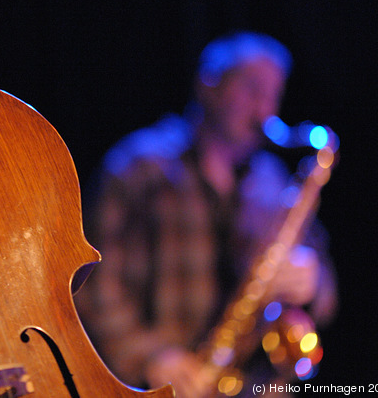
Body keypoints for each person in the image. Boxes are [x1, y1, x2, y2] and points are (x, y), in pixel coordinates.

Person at [76, 31, 338, 398]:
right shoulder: (139, 166)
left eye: (272, 95)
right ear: (209, 84)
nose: (264, 111)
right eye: (251, 89)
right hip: (160, 383)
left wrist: (313, 281)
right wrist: (150, 357)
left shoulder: (273, 180)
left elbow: (326, 289)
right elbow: (92, 284)